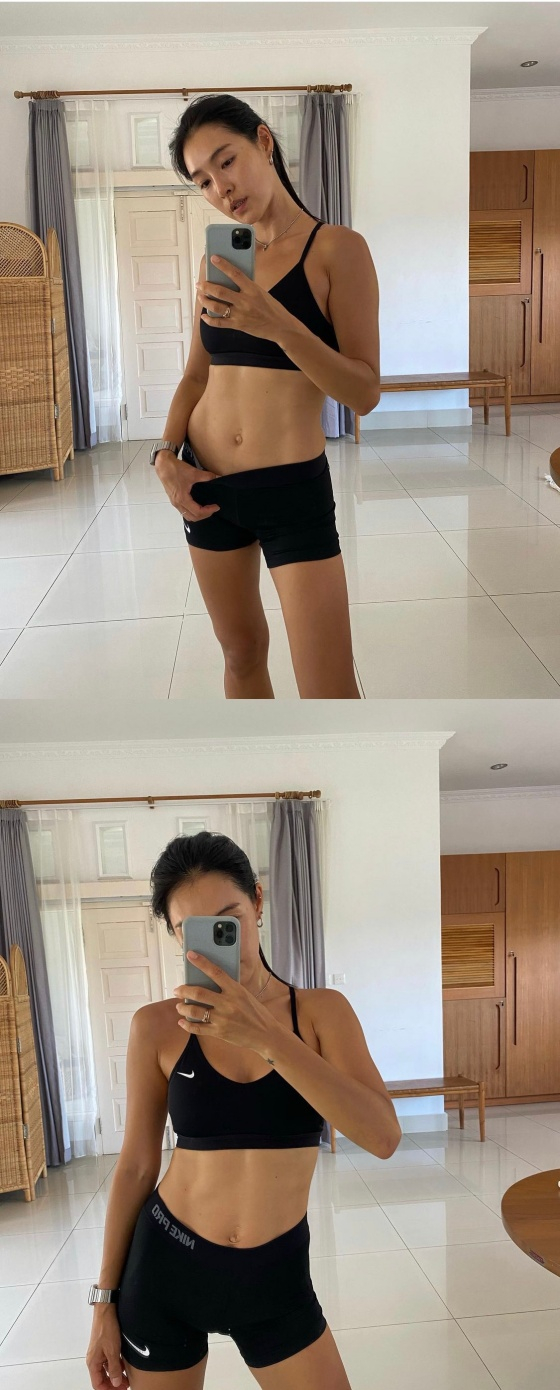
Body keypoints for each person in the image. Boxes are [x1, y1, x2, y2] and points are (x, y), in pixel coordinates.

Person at [86, 831, 401, 1390]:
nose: (213, 943)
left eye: (227, 921)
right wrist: (103, 1301)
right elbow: (135, 1166)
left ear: (257, 901)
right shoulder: (155, 1027)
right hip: (165, 1268)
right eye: (190, 930)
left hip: (274, 1278)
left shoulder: (321, 1013)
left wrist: (266, 1036)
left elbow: (382, 1137)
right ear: (175, 935)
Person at [152, 95, 380, 699]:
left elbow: (364, 392)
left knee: (329, 690)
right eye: (203, 180)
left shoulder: (338, 249)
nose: (220, 188)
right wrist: (165, 456)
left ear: (263, 141)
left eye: (226, 161)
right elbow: (195, 377)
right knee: (241, 654)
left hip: (291, 491)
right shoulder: (222, 260)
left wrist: (276, 323)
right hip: (207, 488)